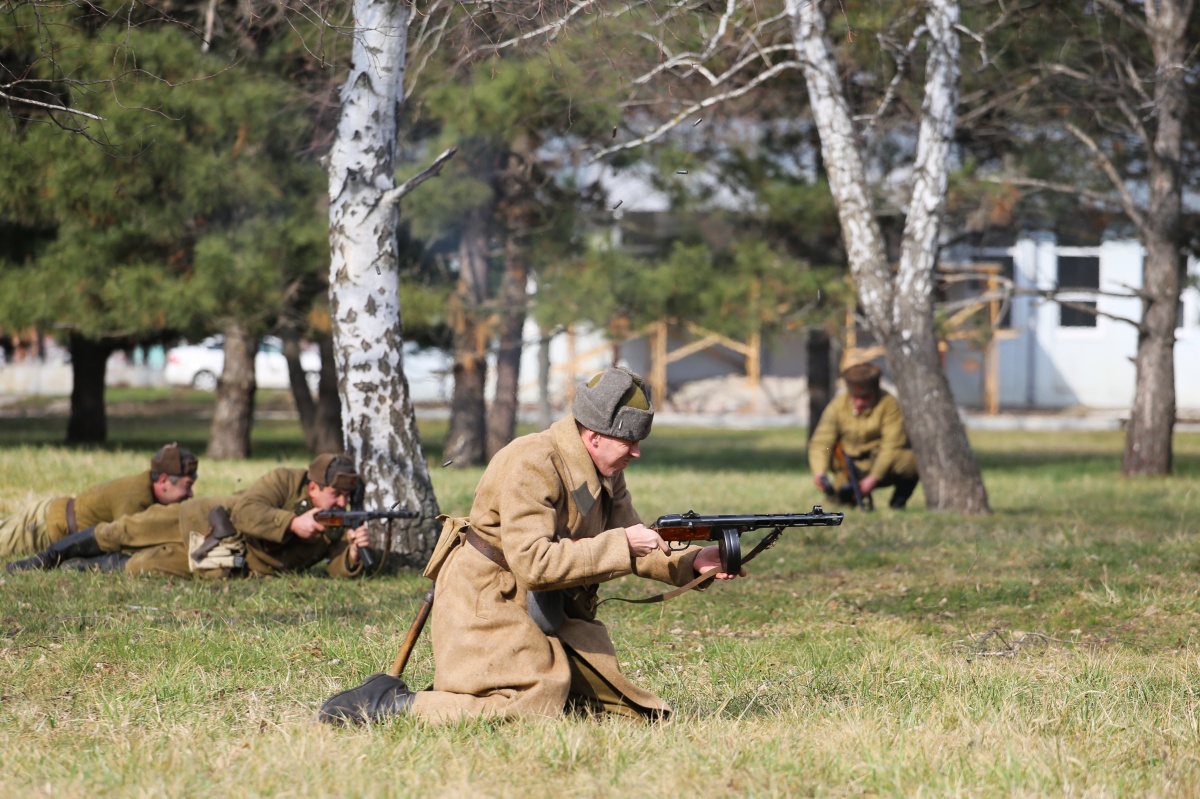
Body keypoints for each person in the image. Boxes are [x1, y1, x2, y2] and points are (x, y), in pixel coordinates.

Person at [317, 366, 744, 726]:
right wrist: (620, 543)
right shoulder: (530, 461)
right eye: (628, 442)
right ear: (593, 436)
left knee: (626, 710)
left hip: (544, 602)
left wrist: (694, 563)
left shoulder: (605, 470)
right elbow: (535, 563)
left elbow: (635, 539)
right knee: (529, 705)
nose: (635, 453)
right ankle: (394, 706)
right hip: (488, 596)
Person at [6, 453, 369, 579]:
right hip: (200, 518)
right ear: (313, 488)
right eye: (335, 494)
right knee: (121, 532)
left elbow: (333, 567)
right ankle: (45, 558)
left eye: (346, 496)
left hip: (225, 559)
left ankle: (74, 569)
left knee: (138, 566)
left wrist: (350, 554)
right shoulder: (283, 481)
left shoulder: (337, 522)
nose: (341, 502)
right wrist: (292, 523)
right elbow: (246, 511)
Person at [0, 442, 198, 559]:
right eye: (187, 485)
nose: (190, 494)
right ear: (163, 481)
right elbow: (130, 544)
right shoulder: (135, 498)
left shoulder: (144, 489)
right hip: (44, 526)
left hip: (50, 515)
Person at [808, 362, 919, 510]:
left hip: (881, 463)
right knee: (838, 505)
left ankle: (898, 503)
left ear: (875, 391)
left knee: (912, 462)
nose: (859, 402)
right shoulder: (837, 406)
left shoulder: (889, 404)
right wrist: (819, 472)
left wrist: (873, 478)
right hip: (848, 467)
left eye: (865, 397)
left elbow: (891, 446)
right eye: (855, 397)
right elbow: (821, 442)